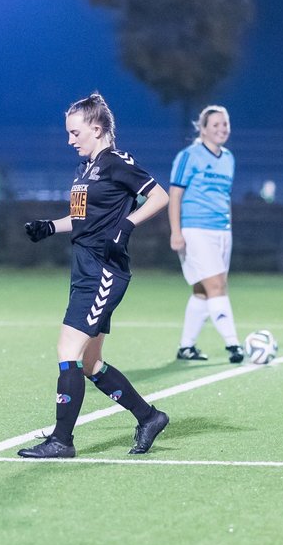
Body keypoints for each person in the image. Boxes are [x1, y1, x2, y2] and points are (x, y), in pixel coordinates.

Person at [19, 92, 171, 459]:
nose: (70, 140)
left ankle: (62, 440)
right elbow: (83, 220)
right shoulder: (85, 170)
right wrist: (49, 226)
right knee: (89, 363)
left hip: (103, 270)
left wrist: (127, 225)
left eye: (75, 132)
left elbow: (160, 196)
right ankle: (149, 417)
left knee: (67, 351)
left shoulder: (117, 162)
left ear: (97, 129)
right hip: (84, 266)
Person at [168, 104, 244, 363]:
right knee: (217, 285)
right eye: (216, 125)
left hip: (221, 231)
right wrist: (176, 232)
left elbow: (225, 198)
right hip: (196, 229)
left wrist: (228, 227)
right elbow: (175, 195)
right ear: (202, 129)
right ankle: (233, 345)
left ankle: (186, 347)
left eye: (225, 124)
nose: (222, 129)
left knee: (202, 290)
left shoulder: (229, 158)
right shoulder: (189, 156)